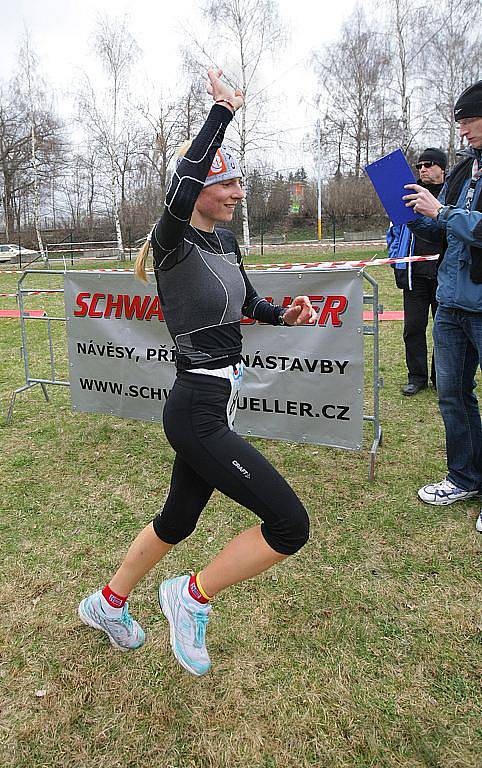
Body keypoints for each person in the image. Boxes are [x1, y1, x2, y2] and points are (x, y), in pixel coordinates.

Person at [78, 69, 318, 675]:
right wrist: (221, 112)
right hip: (198, 409)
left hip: (217, 399)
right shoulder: (173, 239)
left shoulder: (225, 244)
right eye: (230, 182)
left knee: (178, 520)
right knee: (289, 524)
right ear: (204, 188)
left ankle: (108, 603)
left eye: (240, 183)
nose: (239, 193)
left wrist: (282, 315)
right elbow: (180, 183)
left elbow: (244, 305)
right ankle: (188, 597)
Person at [402, 80, 482, 533]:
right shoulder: (461, 172)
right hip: (450, 304)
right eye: (460, 124)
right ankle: (464, 477)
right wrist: (414, 214)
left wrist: (442, 213)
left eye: (469, 121)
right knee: (453, 394)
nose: (463, 131)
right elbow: (442, 233)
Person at [387, 148, 447, 395]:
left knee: (443, 332)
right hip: (414, 275)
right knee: (413, 328)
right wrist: (395, 259)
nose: (423, 169)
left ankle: (440, 378)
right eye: (420, 165)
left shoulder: (452, 193)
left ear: (442, 168)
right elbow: (393, 232)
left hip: (445, 275)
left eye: (429, 164)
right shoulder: (408, 196)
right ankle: (417, 377)